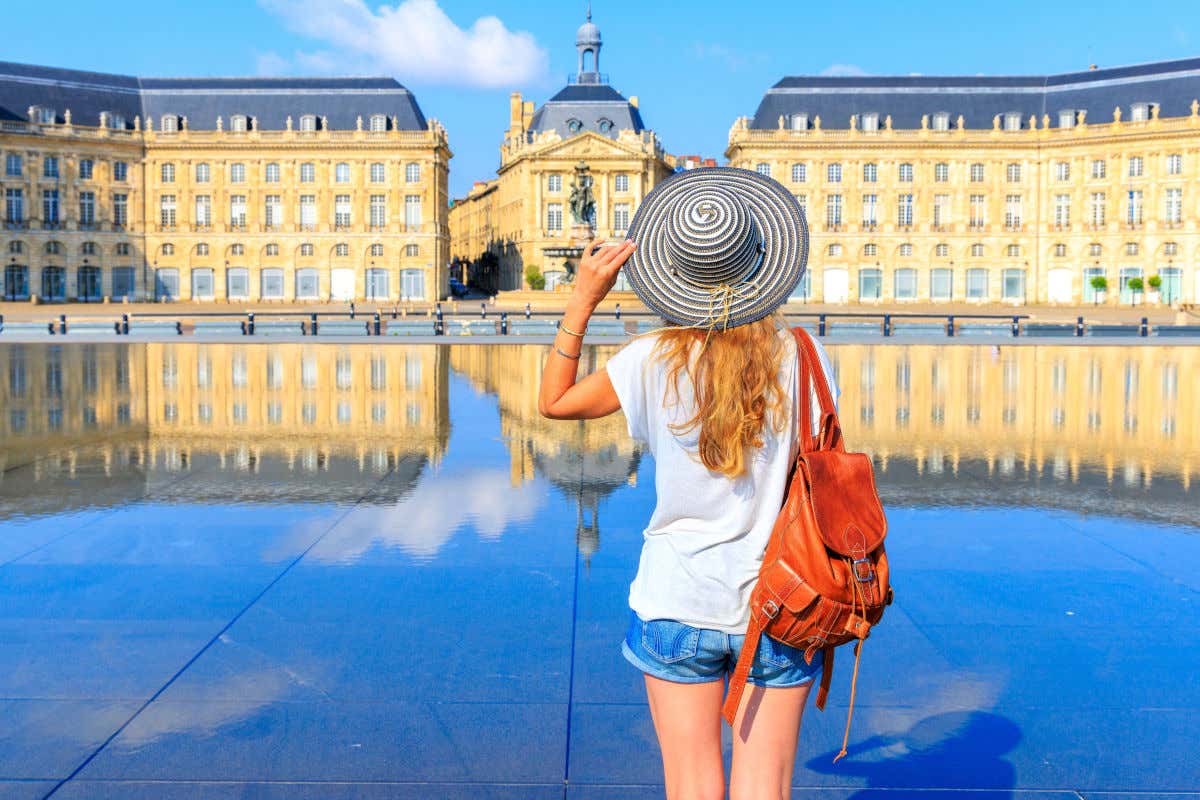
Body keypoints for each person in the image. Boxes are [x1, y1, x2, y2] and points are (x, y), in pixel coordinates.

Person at [538, 167, 839, 800]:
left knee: (692, 787)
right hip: (782, 601)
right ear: (762, 264)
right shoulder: (803, 357)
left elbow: (554, 402)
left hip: (676, 599)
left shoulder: (651, 357)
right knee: (766, 789)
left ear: (675, 273)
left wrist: (583, 298)